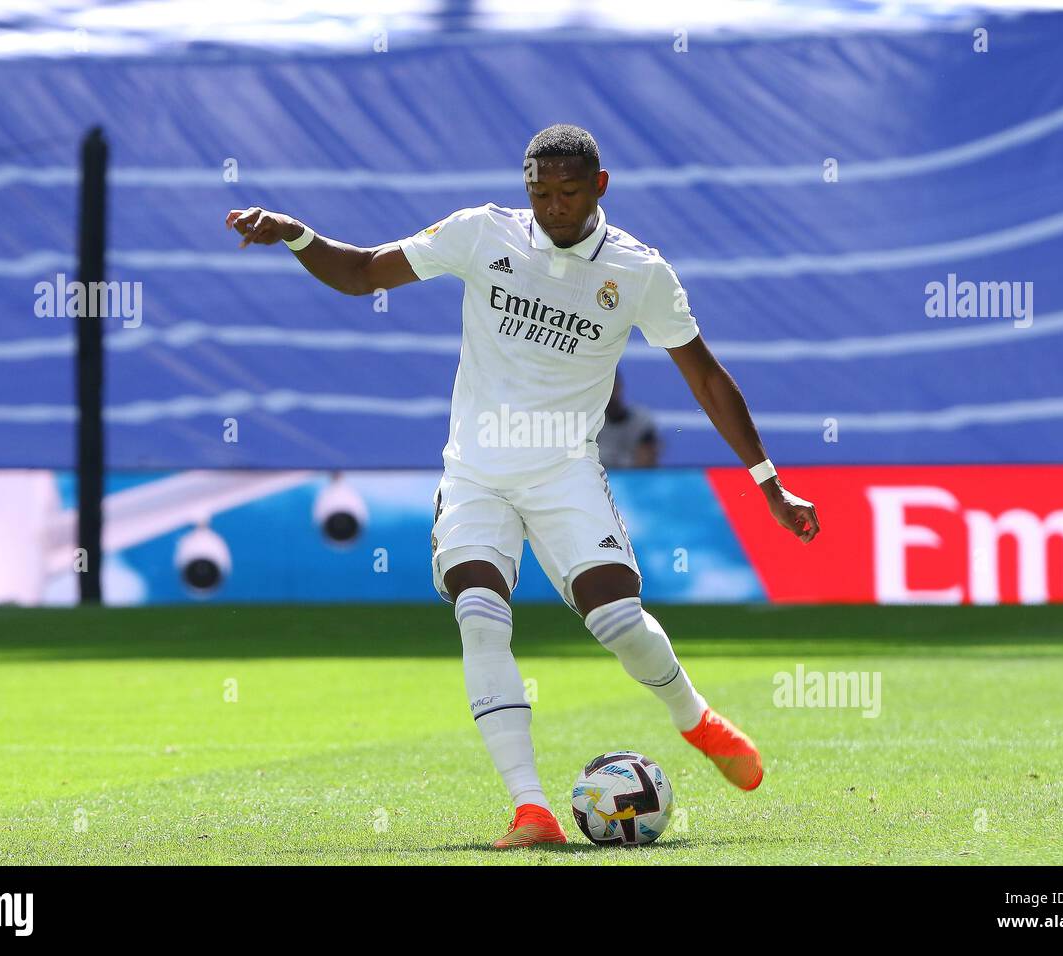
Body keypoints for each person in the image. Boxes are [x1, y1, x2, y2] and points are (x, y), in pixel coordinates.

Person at [227, 124, 820, 848]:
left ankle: (693, 716)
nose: (553, 207)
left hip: (565, 471)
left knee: (619, 623)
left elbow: (704, 374)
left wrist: (768, 483)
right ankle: (532, 809)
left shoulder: (639, 271)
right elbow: (361, 272)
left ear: (600, 187)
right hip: (475, 472)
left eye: (568, 192)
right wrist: (295, 234)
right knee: (480, 611)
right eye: (539, 193)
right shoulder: (483, 233)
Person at [597, 372, 659, 468]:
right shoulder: (589, 424)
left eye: (613, 385)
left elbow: (646, 465)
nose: (609, 391)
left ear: (619, 386)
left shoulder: (642, 422)